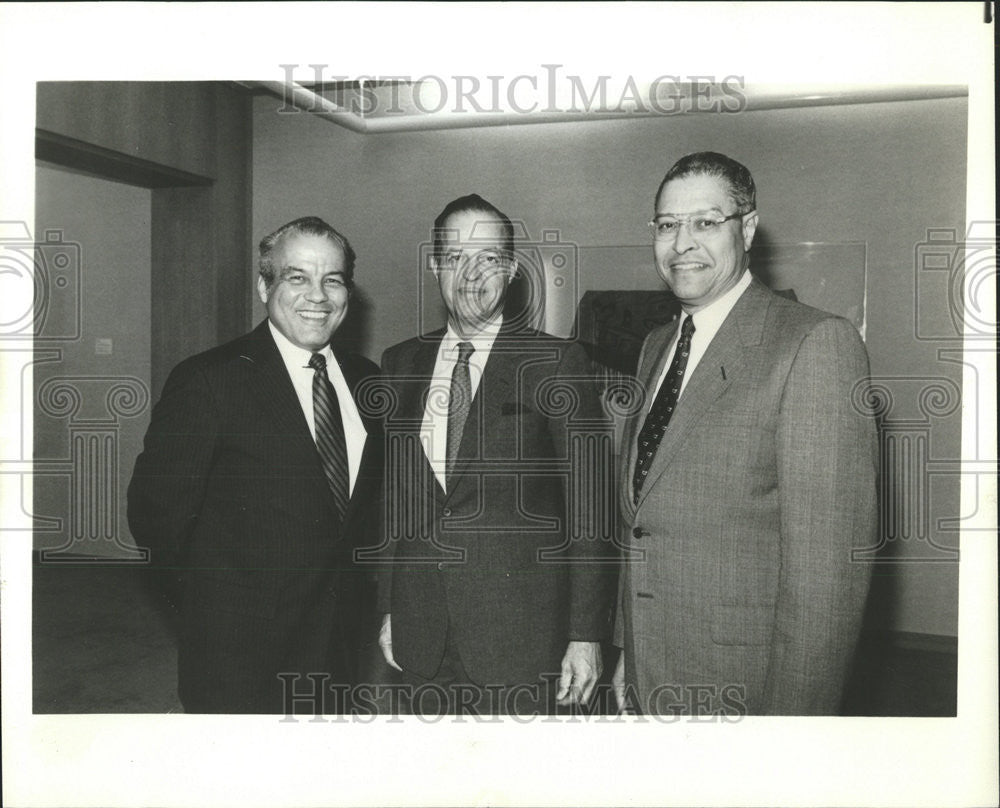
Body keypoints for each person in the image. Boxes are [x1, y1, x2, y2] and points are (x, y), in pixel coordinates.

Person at [613, 153, 878, 716]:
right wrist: (627, 653)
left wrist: (789, 734)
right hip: (648, 673)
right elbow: (643, 521)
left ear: (748, 228)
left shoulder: (813, 344)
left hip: (743, 689)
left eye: (705, 222)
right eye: (666, 224)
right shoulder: (656, 346)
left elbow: (827, 582)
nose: (681, 242)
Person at [128, 217, 383, 714]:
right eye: (297, 277)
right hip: (237, 656)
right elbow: (156, 518)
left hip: (338, 651)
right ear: (264, 285)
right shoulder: (209, 380)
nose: (318, 295)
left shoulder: (366, 381)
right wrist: (211, 618)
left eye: (332, 279)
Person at [374, 194, 616, 715]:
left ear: (509, 270)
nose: (471, 272)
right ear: (436, 266)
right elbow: (395, 502)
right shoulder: (400, 362)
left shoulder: (555, 362)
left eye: (487, 257)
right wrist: (389, 607)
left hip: (523, 638)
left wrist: (586, 635)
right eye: (456, 256)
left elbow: (592, 513)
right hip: (422, 631)